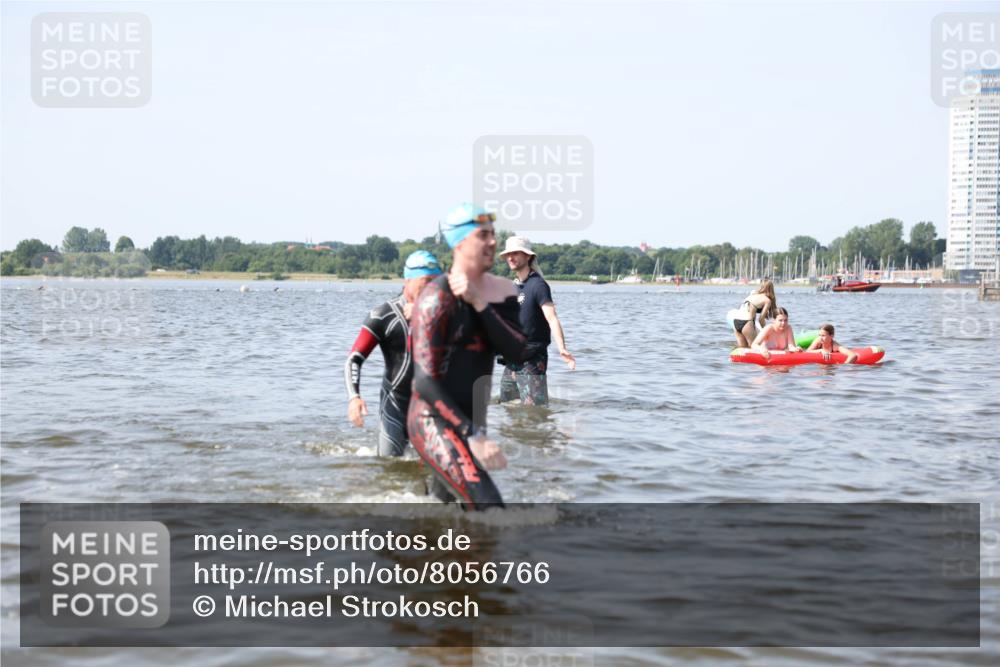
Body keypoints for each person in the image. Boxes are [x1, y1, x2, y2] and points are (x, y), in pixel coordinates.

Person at [407, 203, 530, 509]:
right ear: (460, 244)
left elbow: (518, 352)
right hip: (432, 419)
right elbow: (422, 381)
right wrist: (472, 434)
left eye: (493, 234)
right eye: (483, 235)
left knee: (443, 510)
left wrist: (479, 304)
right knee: (491, 510)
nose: (493, 242)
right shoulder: (436, 297)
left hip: (472, 421)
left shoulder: (503, 293)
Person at [344, 250, 443, 456]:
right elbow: (354, 359)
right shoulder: (383, 316)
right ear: (407, 280)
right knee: (390, 468)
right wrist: (354, 397)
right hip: (395, 406)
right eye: (426, 280)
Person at [497, 236, 576, 406]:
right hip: (512, 360)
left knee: (535, 410)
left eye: (516, 253)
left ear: (528, 257)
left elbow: (552, 318)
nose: (511, 257)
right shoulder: (513, 286)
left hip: (533, 359)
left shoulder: (538, 285)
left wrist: (562, 347)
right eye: (508, 254)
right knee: (506, 406)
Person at [732, 279, 778, 347]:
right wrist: (764, 331)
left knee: (743, 349)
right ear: (771, 289)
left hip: (736, 321)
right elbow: (761, 319)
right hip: (746, 322)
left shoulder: (753, 294)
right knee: (754, 346)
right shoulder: (767, 300)